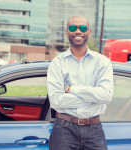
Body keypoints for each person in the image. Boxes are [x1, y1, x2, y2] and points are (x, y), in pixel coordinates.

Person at [47, 14, 113, 150]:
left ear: (88, 32)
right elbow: (56, 101)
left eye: (82, 28)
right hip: (64, 128)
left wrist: (72, 89)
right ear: (67, 32)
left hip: (94, 128)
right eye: (73, 27)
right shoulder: (57, 63)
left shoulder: (102, 62)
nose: (78, 31)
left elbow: (106, 96)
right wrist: (94, 98)